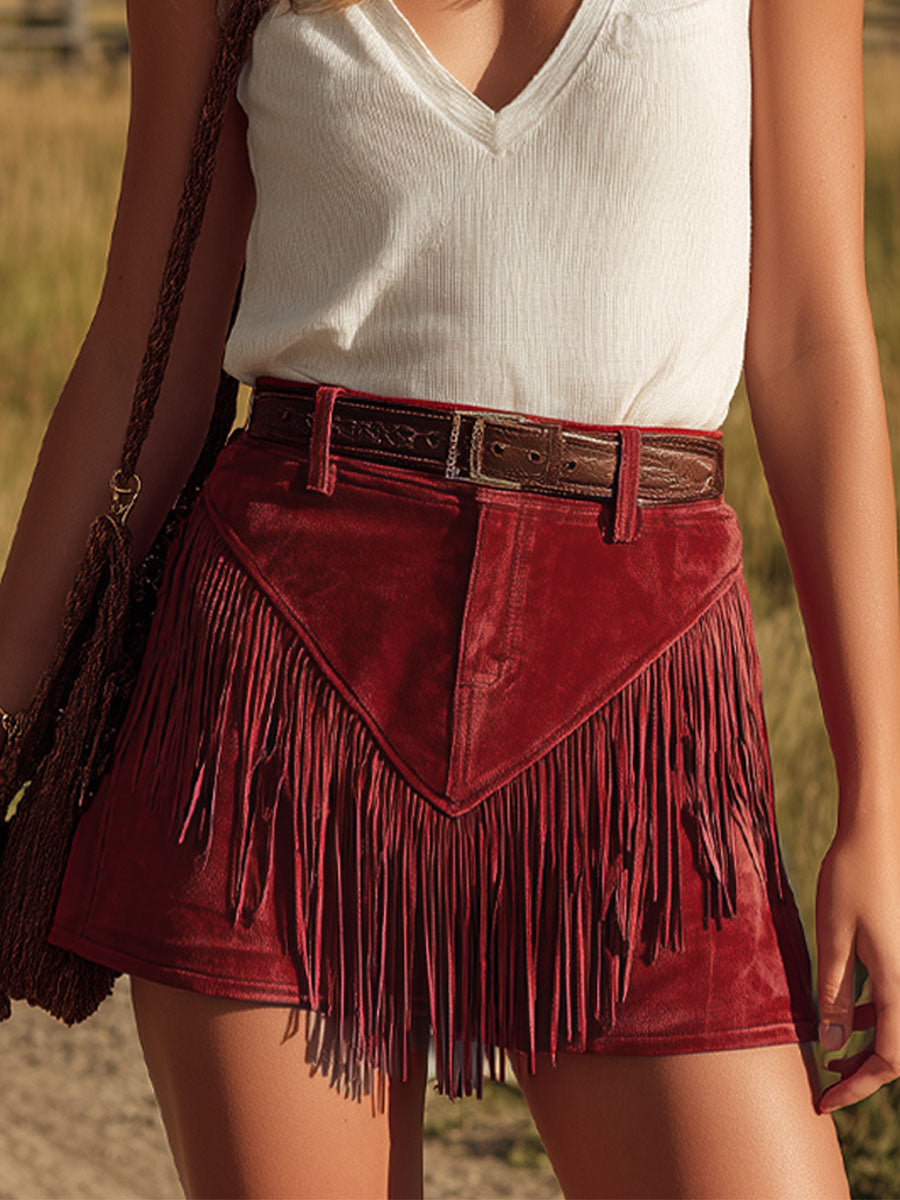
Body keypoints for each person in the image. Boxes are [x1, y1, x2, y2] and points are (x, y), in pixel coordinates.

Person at [0, 0, 896, 1195]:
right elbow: (136, 354)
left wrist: (880, 799)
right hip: (281, 673)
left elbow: (810, 341)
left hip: (640, 693)